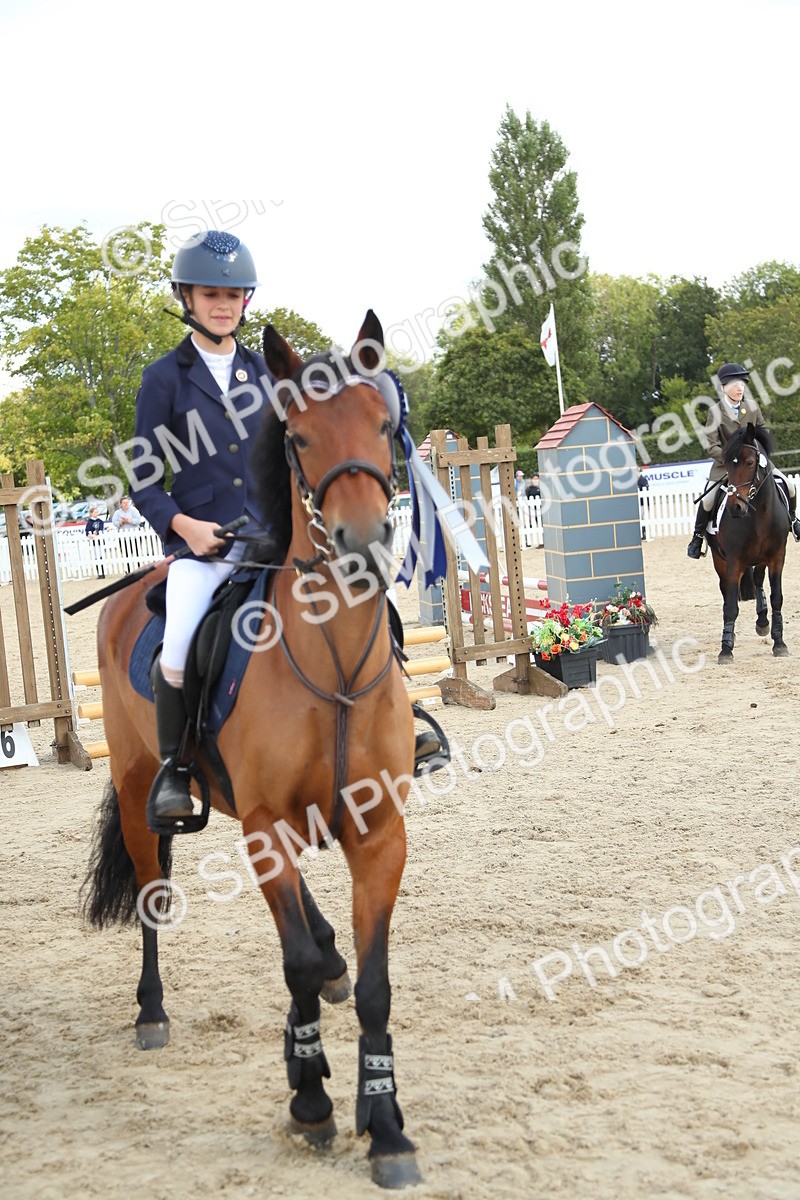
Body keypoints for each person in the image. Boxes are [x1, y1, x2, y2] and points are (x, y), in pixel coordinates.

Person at [130, 230, 273, 825]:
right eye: (210, 293)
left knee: (358, 591)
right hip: (203, 547)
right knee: (181, 636)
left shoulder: (267, 372)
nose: (223, 304)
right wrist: (185, 528)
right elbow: (143, 480)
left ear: (246, 300)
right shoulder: (164, 378)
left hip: (270, 540)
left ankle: (405, 719)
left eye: (233, 294)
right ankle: (174, 769)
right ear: (186, 297)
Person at [687, 362, 800, 558]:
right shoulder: (715, 412)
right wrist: (729, 460)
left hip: (754, 462)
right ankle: (697, 537)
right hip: (726, 466)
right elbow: (710, 445)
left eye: (742, 383)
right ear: (723, 387)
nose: (739, 388)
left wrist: (761, 456)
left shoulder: (753, 407)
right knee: (707, 499)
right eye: (734, 384)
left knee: (789, 486)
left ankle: (793, 520)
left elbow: (762, 433)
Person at [111, 495, 143, 573]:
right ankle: (128, 570)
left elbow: (138, 520)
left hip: (134, 535)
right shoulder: (117, 513)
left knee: (136, 552)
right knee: (126, 554)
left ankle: (139, 569)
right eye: (124, 503)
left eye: (127, 503)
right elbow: (114, 522)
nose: (126, 504)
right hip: (123, 537)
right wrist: (120, 522)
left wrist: (129, 521)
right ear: (121, 504)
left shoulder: (134, 510)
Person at [85, 505, 105, 578]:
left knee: (100, 556)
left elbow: (100, 529)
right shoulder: (89, 522)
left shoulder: (100, 521)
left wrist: (97, 532)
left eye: (97, 512)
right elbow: (87, 530)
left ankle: (102, 572)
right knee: (96, 557)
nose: (96, 513)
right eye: (95, 512)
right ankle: (99, 573)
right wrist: (89, 534)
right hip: (93, 542)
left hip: (99, 541)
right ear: (91, 513)